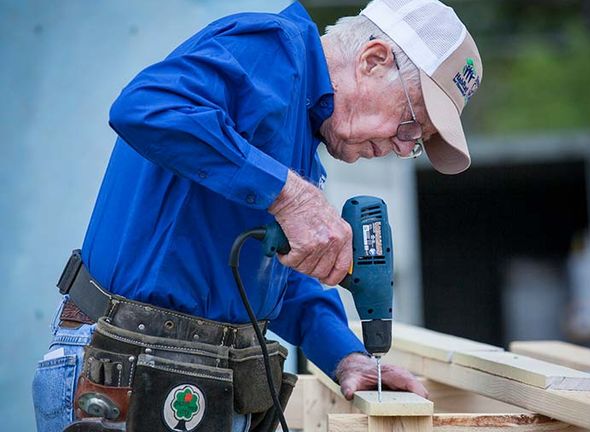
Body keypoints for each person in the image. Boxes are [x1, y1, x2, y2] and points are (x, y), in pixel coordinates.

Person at [32, 0, 482, 431]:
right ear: (374, 59)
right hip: (124, 372)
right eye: (410, 124)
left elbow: (275, 281)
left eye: (416, 142)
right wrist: (289, 195)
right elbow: (145, 107)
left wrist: (346, 356)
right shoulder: (272, 50)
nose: (403, 148)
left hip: (193, 383)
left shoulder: (302, 141)